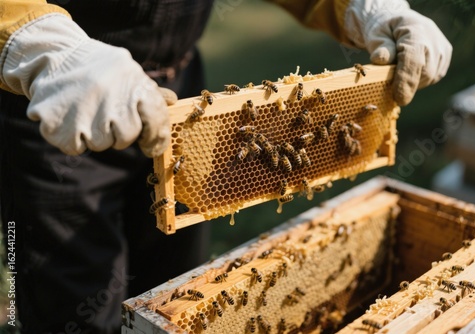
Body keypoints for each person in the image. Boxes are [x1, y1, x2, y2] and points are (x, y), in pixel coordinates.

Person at [0, 0, 451, 332]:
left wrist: (364, 7)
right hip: (60, 102)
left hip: (184, 108)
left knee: (174, 299)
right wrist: (42, 46)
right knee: (71, 308)